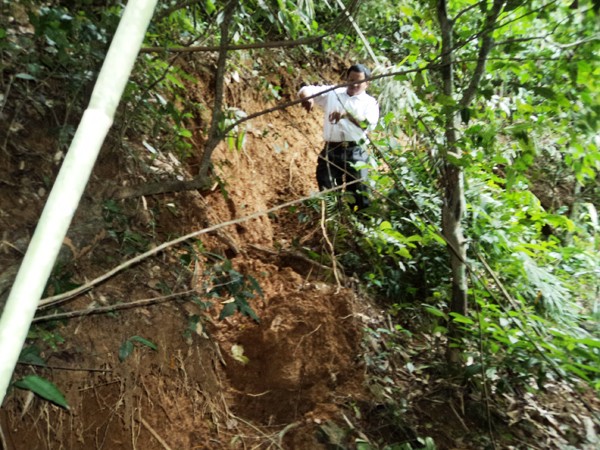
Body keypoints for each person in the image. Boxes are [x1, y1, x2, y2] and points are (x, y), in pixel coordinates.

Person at [298, 64, 379, 210]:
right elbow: (306, 89)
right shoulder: (334, 93)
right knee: (326, 185)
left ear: (367, 83)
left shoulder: (370, 103)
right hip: (331, 148)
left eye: (358, 82)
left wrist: (346, 114)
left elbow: (367, 124)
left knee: (359, 192)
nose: (353, 84)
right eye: (350, 79)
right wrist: (307, 98)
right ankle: (333, 221)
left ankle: (359, 226)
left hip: (355, 151)